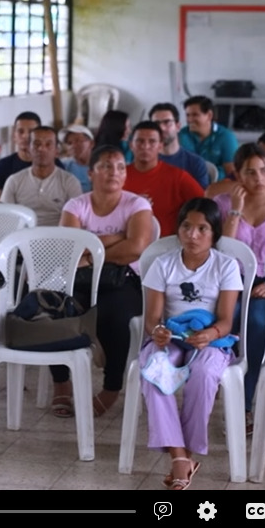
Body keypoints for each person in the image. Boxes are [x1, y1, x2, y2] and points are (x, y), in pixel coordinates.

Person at [140, 198, 243, 490]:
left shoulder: (226, 266)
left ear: (214, 233)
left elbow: (226, 321)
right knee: (154, 369)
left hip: (210, 339)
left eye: (202, 228)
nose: (192, 235)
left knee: (205, 374)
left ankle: (186, 454)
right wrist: (158, 331)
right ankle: (179, 457)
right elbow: (152, 319)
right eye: (186, 227)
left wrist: (209, 335)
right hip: (172, 337)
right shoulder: (163, 264)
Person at [58, 145, 154, 418]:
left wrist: (91, 253)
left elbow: (136, 248)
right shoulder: (76, 205)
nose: (114, 172)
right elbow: (70, 249)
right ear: (91, 173)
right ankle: (61, 382)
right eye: (106, 166)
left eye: (121, 167)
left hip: (123, 280)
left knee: (117, 316)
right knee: (58, 309)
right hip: (81, 279)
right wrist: (117, 237)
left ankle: (112, 387)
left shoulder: (137, 205)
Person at [212, 144, 265, 430]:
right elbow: (222, 251)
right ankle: (216, 382)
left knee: (258, 321)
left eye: (264, 170)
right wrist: (235, 212)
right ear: (238, 174)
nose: (259, 177)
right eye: (250, 172)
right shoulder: (223, 203)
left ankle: (244, 404)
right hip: (230, 282)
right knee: (228, 317)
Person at [125, 122, 205, 238]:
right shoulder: (118, 176)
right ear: (131, 145)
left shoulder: (178, 177)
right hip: (125, 240)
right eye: (140, 141)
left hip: (168, 243)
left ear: (160, 146)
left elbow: (204, 205)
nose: (145, 146)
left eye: (152, 142)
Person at [0, 126, 84, 226]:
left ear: (56, 151)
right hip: (23, 235)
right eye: (37, 144)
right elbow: (4, 220)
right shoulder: (14, 181)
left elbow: (77, 221)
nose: (42, 149)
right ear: (29, 149)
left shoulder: (70, 182)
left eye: (48, 144)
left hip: (59, 235)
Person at [0, 111, 56, 202]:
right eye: (20, 131)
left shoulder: (55, 165)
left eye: (31, 132)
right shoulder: (2, 167)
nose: (25, 136)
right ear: (14, 136)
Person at [149, 102, 210, 188]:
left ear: (178, 126)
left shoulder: (195, 163)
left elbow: (201, 196)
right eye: (156, 124)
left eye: (167, 122)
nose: (161, 128)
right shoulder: (144, 161)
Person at [179, 95, 239, 179]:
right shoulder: (182, 135)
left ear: (209, 115)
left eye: (195, 115)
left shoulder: (226, 137)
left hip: (218, 185)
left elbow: (232, 175)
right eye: (188, 115)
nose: (190, 120)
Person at [60, 124, 95, 192]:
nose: (73, 146)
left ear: (91, 143)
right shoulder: (63, 165)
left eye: (78, 141)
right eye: (69, 143)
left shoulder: (100, 166)